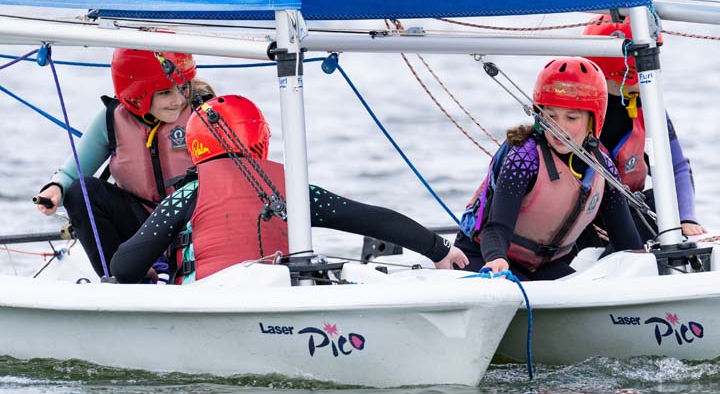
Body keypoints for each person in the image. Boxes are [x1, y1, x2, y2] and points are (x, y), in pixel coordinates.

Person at [110, 95, 468, 284]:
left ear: (195, 146)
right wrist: (439, 249)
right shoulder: (291, 189)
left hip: (209, 301)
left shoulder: (189, 194)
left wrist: (148, 274)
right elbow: (370, 218)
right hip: (282, 303)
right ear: (260, 138)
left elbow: (124, 267)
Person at [454, 56, 642, 281]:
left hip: (541, 266)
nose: (559, 127)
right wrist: (497, 258)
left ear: (594, 120)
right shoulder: (525, 157)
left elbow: (627, 244)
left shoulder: (602, 168)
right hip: (483, 256)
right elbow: (496, 228)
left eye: (571, 117)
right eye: (550, 116)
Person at [35, 48, 214, 276]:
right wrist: (55, 188)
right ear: (137, 94)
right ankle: (121, 280)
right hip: (141, 229)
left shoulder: (206, 113)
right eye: (165, 93)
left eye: (182, 87)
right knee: (81, 191)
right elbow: (71, 175)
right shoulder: (111, 119)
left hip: (193, 222)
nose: (178, 100)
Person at [582, 14, 707, 239]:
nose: (655, 71)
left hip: (627, 215)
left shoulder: (650, 108)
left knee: (659, 202)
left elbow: (676, 167)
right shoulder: (573, 113)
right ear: (624, 67)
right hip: (582, 222)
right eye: (649, 59)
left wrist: (686, 218)